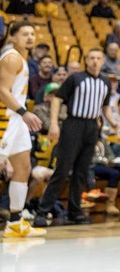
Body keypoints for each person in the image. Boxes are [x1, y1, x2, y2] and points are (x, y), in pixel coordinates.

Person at [33, 48, 112, 227]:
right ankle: (42, 211)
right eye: (91, 58)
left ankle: (75, 212)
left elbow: (105, 107)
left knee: (81, 171)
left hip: (92, 127)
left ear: (103, 61)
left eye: (98, 58)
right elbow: (57, 99)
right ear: (86, 60)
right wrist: (53, 123)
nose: (95, 61)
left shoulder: (106, 82)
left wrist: (113, 122)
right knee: (62, 170)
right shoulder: (75, 78)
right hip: (73, 124)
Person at [0, 22, 46, 239]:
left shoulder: (23, 58)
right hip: (6, 118)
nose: (30, 37)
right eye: (25, 34)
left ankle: (15, 223)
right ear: (13, 37)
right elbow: (2, 91)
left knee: (23, 167)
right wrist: (24, 112)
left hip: (16, 120)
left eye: (32, 33)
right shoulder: (11, 58)